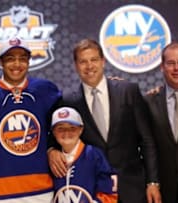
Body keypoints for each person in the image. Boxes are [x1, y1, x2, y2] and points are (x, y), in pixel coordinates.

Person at [48, 39, 161, 203]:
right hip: (94, 190)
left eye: (94, 60)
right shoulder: (68, 100)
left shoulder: (129, 91)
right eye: (83, 61)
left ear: (103, 61)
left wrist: (152, 182)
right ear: (75, 65)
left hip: (132, 188)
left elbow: (147, 140)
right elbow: (54, 135)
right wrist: (51, 150)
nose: (89, 66)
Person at [0, 37, 61, 202]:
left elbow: (65, 122)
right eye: (10, 59)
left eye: (22, 59)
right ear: (0, 62)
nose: (17, 64)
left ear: (29, 62)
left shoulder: (45, 90)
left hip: (40, 190)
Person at [145, 42, 178, 203]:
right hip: (163, 191)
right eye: (170, 63)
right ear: (162, 67)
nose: (176, 68)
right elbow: (147, 145)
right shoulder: (149, 102)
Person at [51, 106, 118, 203]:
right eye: (60, 129)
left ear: (80, 130)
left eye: (72, 128)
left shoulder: (93, 155)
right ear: (53, 132)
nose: (66, 133)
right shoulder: (52, 161)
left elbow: (109, 192)